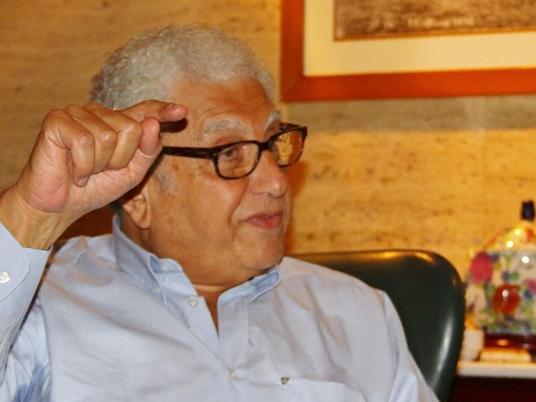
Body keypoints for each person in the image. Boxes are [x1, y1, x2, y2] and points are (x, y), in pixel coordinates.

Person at [0, 26, 437, 402]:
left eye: (273, 143)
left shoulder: (357, 313)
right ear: (137, 191)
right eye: (229, 152)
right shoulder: (40, 306)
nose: (276, 182)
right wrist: (31, 213)